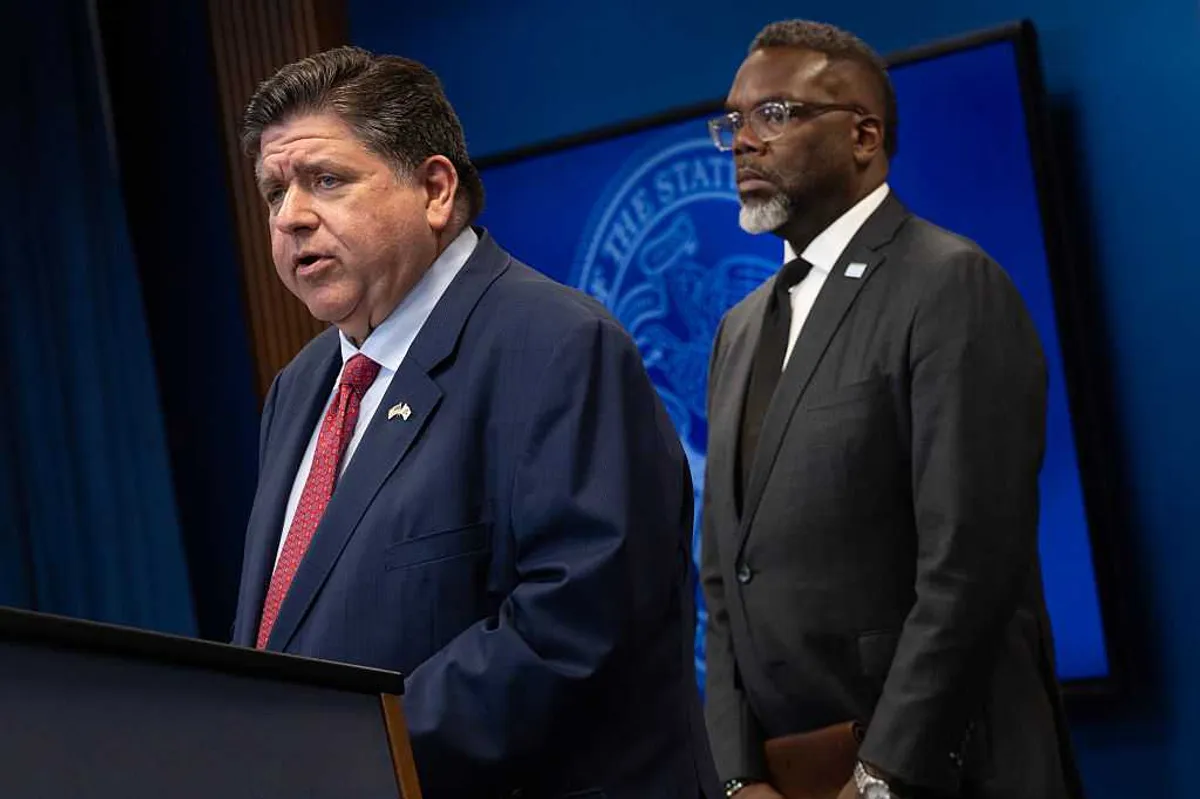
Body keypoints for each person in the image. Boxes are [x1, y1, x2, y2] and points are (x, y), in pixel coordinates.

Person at [230, 46, 720, 799]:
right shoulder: (301, 389)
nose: (291, 216)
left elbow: (574, 628)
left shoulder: (555, 344)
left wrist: (338, 750)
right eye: (274, 191)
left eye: (325, 179)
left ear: (433, 188)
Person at [700, 20, 1084, 799]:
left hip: (943, 772)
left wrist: (880, 777)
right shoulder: (738, 328)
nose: (744, 140)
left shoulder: (948, 283)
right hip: (790, 777)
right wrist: (740, 775)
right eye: (734, 120)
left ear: (863, 135)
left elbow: (969, 566)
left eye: (773, 114)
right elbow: (724, 574)